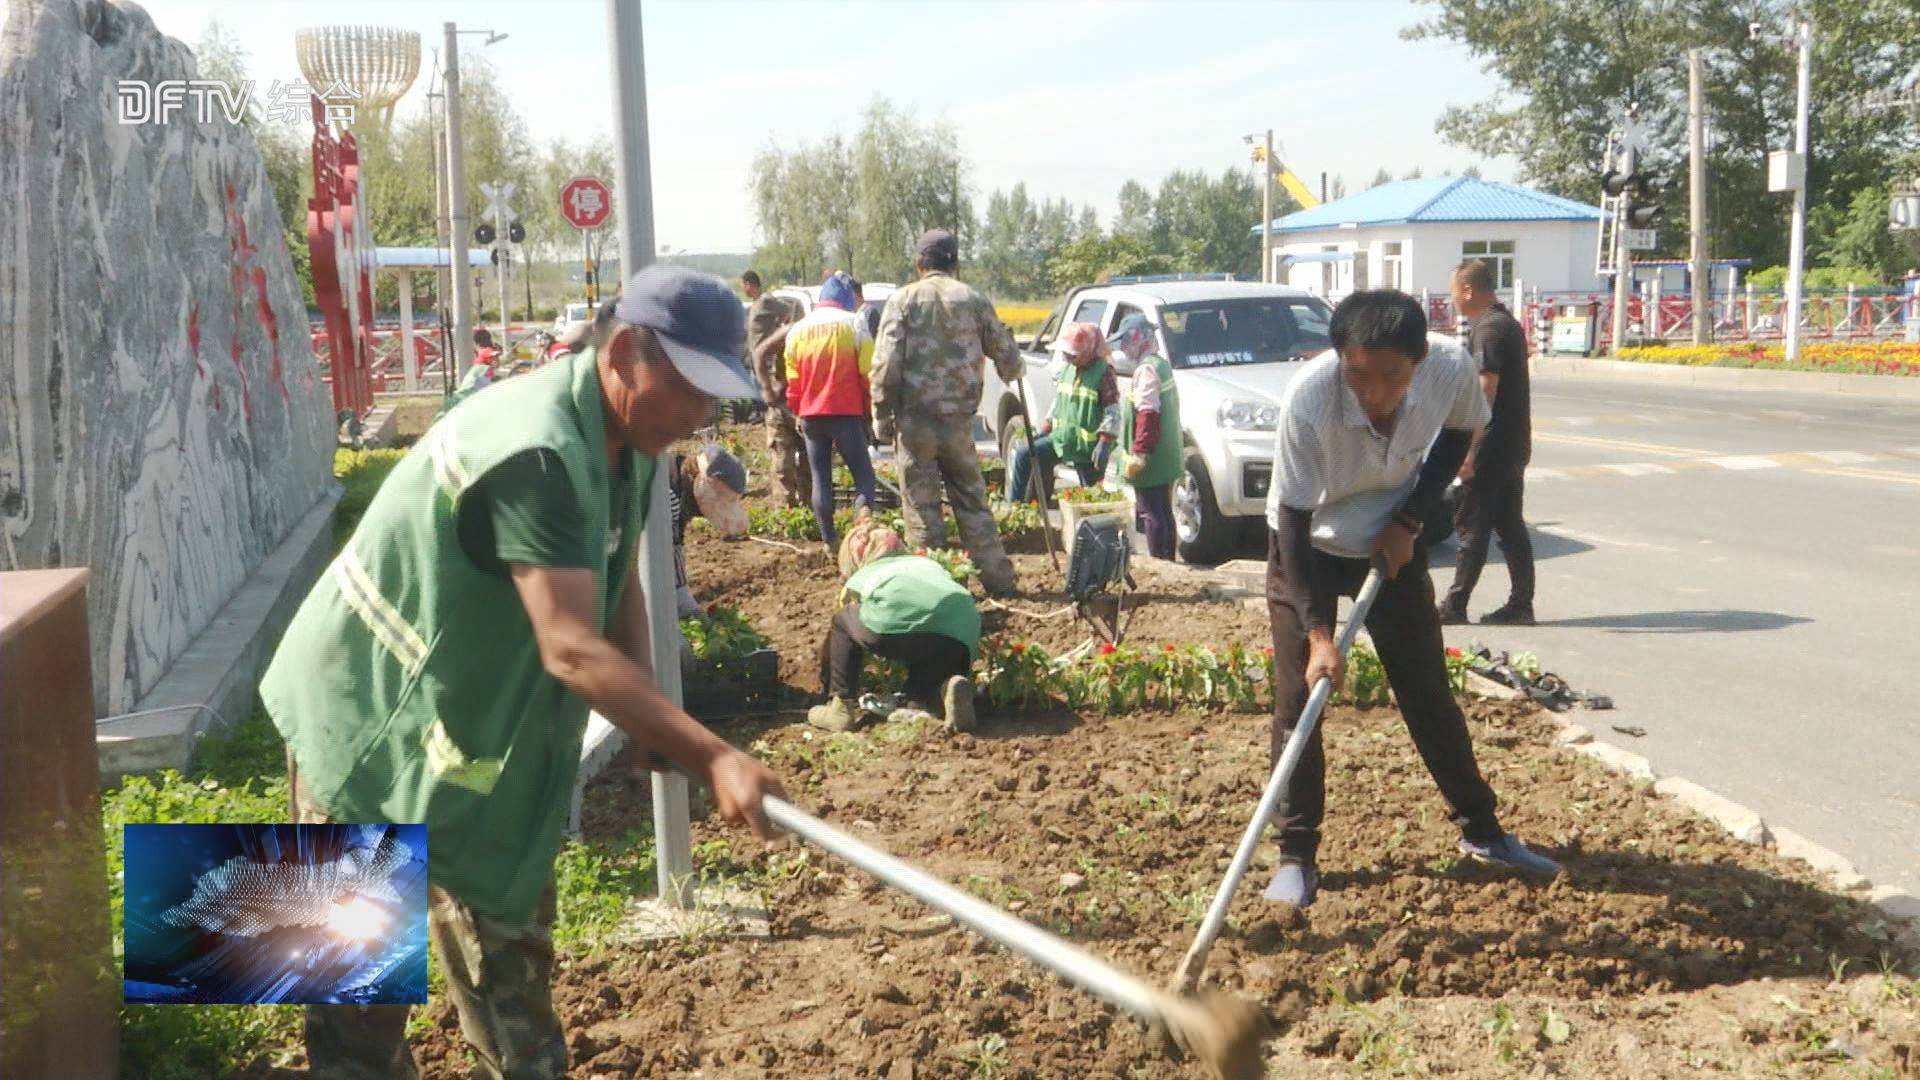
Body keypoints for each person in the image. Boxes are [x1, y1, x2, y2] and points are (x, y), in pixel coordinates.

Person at [260, 266, 787, 1078]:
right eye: (689, 388)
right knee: (357, 1018)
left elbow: (617, 578)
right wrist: (713, 754)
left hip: (462, 735)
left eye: (714, 394)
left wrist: (651, 716)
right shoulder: (537, 449)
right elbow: (568, 645)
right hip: (362, 720)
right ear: (623, 354)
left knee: (516, 987)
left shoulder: (625, 439)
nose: (703, 414)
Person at [1261, 289, 1559, 910]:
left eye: (1391, 376)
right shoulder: (1310, 399)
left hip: (1391, 539)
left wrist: (1412, 519)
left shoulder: (1448, 367)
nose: (1372, 391)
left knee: (1427, 691)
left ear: (1419, 361)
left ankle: (1482, 831)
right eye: (1358, 373)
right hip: (1308, 546)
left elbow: (1459, 433)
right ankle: (1296, 856)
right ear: (1340, 357)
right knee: (1299, 700)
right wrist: (1319, 635)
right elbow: (1291, 516)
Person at [870, 228, 1022, 596]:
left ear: (919, 263)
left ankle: (939, 588)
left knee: (922, 509)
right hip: (959, 423)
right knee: (971, 501)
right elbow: (1009, 361)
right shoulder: (973, 299)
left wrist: (880, 413)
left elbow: (885, 364)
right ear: (954, 262)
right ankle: (999, 582)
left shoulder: (902, 301)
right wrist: (1012, 367)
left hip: (914, 423)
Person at [810, 513, 980, 735]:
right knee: (926, 661)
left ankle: (840, 707)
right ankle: (944, 690)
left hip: (896, 623)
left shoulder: (869, 572)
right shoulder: (925, 564)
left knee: (843, 620)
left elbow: (850, 625)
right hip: (961, 630)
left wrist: (829, 681)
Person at [1438, 259, 1535, 626]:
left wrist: (1468, 448)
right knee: (1510, 525)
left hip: (1492, 446)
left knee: (1472, 526)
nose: (1452, 302)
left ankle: (1455, 605)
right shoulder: (1505, 323)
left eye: (1453, 294)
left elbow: (1486, 389)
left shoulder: (1489, 330)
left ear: (1467, 290)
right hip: (1513, 444)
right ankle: (1521, 604)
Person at [783, 271, 879, 551]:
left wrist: (799, 411)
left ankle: (829, 542)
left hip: (812, 417)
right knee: (864, 476)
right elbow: (867, 373)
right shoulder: (855, 323)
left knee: (820, 478)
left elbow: (793, 382)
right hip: (846, 415)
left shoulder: (797, 331)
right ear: (847, 299)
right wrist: (868, 411)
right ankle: (862, 535)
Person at [1006, 321, 1119, 506]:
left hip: (1087, 448)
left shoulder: (1103, 373)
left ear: (1088, 350)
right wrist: (1047, 425)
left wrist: (1105, 440)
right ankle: (1016, 507)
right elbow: (1059, 401)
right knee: (1024, 453)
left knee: (1092, 498)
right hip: (1062, 438)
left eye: (1072, 354)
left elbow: (1113, 411)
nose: (1067, 357)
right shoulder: (1069, 368)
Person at [1111, 314, 1181, 560]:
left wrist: (1140, 452)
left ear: (1138, 338)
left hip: (1152, 456)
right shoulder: (1159, 364)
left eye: (1125, 341)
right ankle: (1168, 559)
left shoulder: (1146, 370)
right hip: (1166, 454)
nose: (1122, 348)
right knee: (1162, 510)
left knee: (1151, 513)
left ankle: (1160, 561)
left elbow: (1148, 413)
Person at [743, 270, 809, 508]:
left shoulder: (807, 332)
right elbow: (760, 353)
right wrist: (768, 390)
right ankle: (786, 509)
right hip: (782, 400)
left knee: (808, 458)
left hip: (804, 404)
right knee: (782, 457)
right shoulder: (787, 334)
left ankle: (809, 505)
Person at [669, 442, 749, 617]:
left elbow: (676, 546)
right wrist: (688, 608)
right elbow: (668, 552)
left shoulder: (679, 478)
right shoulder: (669, 496)